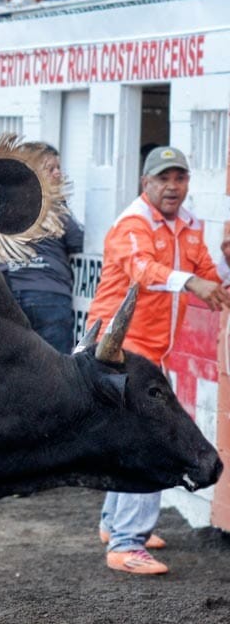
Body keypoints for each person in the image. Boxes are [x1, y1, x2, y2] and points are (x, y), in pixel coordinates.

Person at [87, 145, 230, 575]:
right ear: (144, 184)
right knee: (151, 442)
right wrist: (192, 284)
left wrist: (222, 264)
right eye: (163, 179)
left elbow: (210, 277)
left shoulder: (186, 227)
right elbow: (141, 269)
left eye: (180, 178)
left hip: (146, 355)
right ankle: (127, 545)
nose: (172, 187)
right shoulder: (133, 222)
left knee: (130, 441)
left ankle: (116, 527)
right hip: (116, 352)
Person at [1, 143, 84, 353]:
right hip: (49, 296)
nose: (58, 174)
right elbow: (77, 241)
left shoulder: (1, 206)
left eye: (58, 168)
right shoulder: (53, 205)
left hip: (10, 295)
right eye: (50, 168)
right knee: (56, 371)